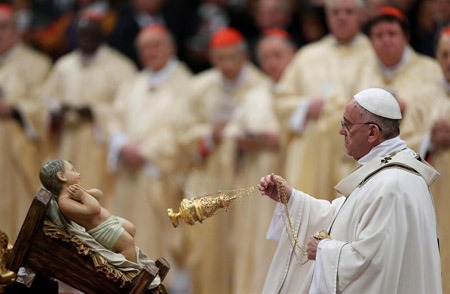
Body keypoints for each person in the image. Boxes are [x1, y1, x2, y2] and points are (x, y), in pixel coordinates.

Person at [259, 88, 442, 293]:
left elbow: (373, 263)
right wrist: (292, 198)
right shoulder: (385, 172)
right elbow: (341, 217)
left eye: (347, 124)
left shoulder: (393, 185)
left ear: (372, 132)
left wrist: (323, 250)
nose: (341, 131)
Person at [181, 27, 269, 294]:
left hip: (248, 175)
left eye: (232, 58)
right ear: (212, 59)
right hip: (211, 176)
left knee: (245, 246)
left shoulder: (261, 85)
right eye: (220, 58)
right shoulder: (200, 87)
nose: (227, 65)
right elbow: (181, 132)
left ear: (244, 57)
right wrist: (209, 134)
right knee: (209, 249)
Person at [106, 23, 192, 292]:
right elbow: (113, 117)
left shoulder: (186, 84)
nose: (150, 52)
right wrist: (120, 144)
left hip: (161, 179)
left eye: (156, 46)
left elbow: (183, 129)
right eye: (144, 48)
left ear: (171, 47)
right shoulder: (133, 83)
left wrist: (144, 152)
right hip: (129, 178)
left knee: (159, 246)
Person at [275, 0, 376, 202]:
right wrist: (304, 107)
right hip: (311, 155)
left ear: (362, 15)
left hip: (353, 156)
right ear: (327, 16)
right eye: (336, 12)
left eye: (349, 11)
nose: (342, 17)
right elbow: (280, 100)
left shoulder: (374, 54)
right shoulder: (308, 55)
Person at [41, 12, 136, 204]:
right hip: (66, 143)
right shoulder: (64, 66)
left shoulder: (121, 67)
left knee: (97, 201)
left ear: (102, 36)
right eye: (80, 35)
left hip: (100, 146)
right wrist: (55, 113)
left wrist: (94, 111)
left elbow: (128, 110)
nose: (85, 39)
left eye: (91, 34)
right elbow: (45, 102)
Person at [226, 29, 294, 294]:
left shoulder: (297, 92)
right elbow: (234, 130)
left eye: (278, 55)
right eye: (265, 57)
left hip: (288, 174)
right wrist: (250, 139)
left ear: (292, 55)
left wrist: (279, 138)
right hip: (256, 175)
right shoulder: (256, 93)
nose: (272, 62)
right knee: (254, 243)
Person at [0, 4, 52, 242]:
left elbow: (46, 108)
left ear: (17, 30)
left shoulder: (38, 64)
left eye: (3, 27)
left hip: (19, 157)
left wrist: (14, 109)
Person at [39, 159, 137, 262]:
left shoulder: (75, 192)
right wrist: (83, 195)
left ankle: (125, 253)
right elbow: (95, 209)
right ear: (62, 176)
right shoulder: (65, 202)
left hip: (110, 222)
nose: (78, 173)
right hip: (103, 229)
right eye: (73, 170)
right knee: (128, 244)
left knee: (131, 229)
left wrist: (85, 192)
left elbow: (99, 195)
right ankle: (131, 272)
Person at [418, 27, 450, 293]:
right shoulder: (423, 97)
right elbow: (402, 142)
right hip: (434, 198)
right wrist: (430, 139)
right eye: (445, 54)